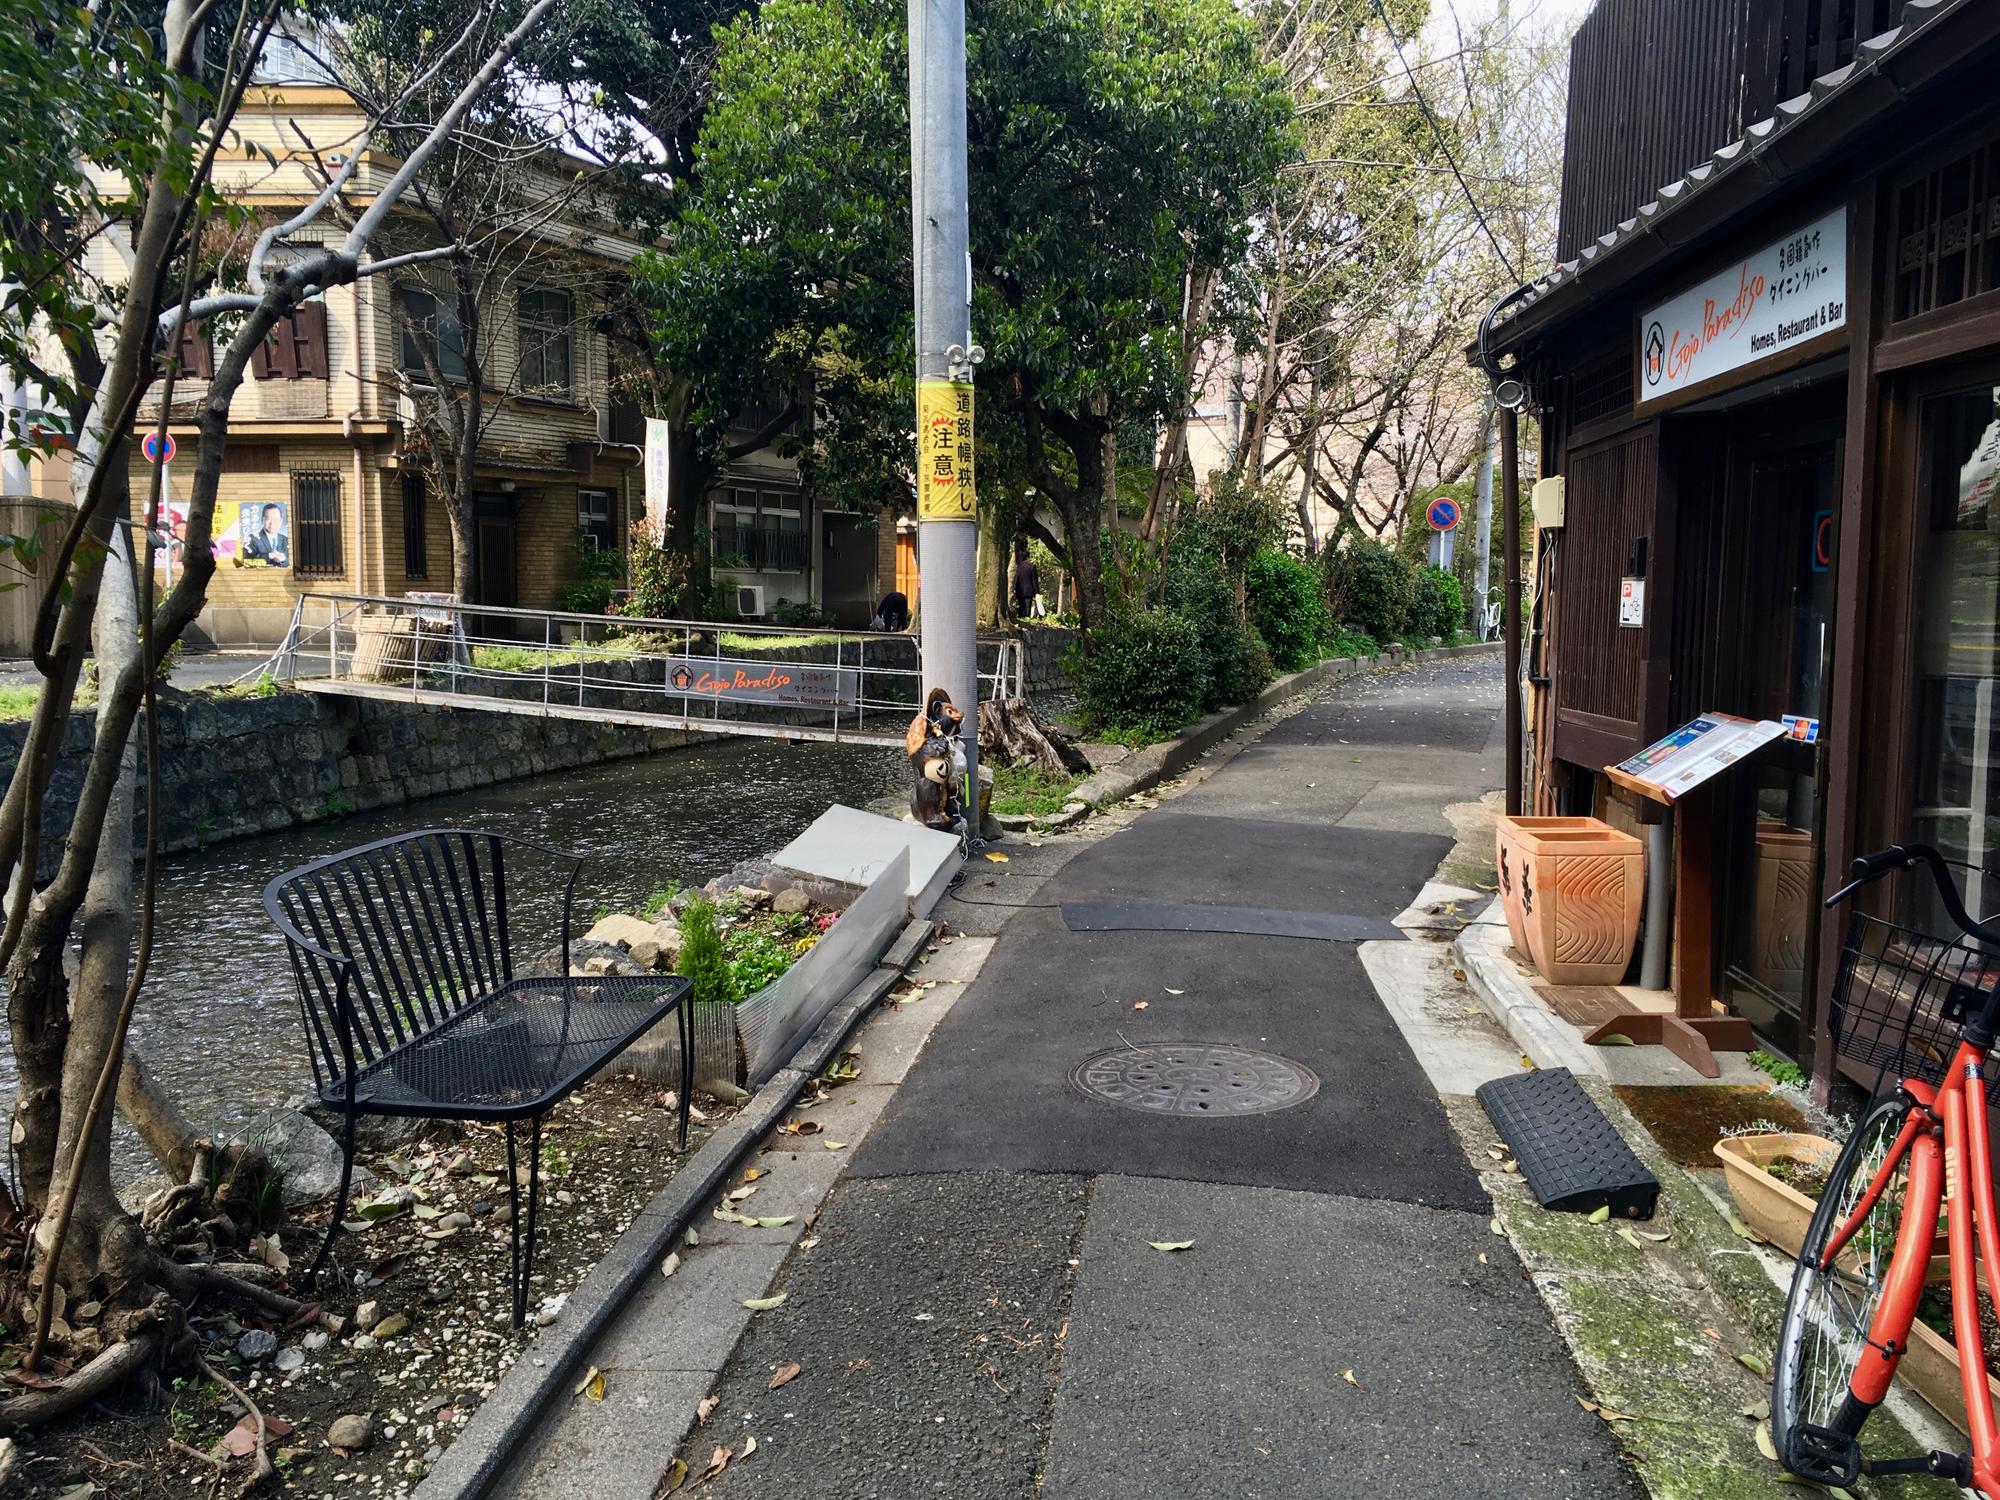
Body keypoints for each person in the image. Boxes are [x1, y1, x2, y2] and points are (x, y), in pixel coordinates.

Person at [1010, 539, 1040, 620]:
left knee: (1021, 607)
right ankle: (1026, 620)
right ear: (1028, 556)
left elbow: (1016, 579)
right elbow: (1034, 580)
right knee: (1027, 608)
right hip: (1029, 591)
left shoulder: (1018, 567)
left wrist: (1015, 589)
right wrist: (1037, 592)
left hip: (1019, 590)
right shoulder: (1031, 566)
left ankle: (1020, 619)